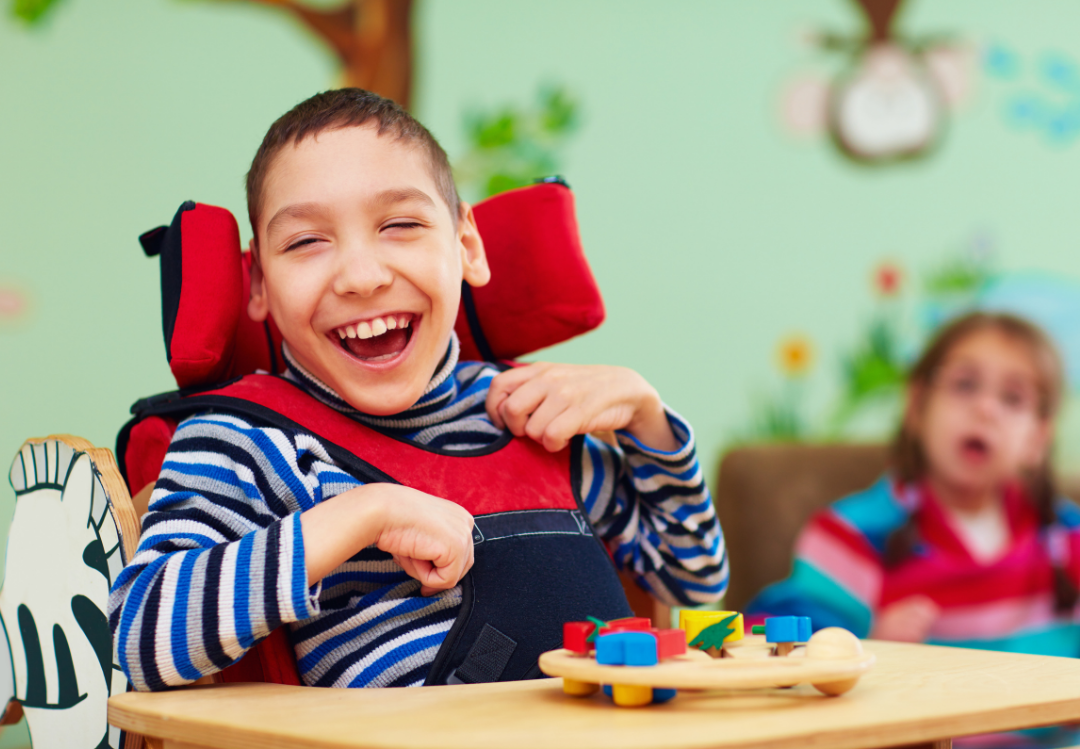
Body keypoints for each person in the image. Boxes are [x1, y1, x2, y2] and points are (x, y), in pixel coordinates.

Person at [107, 88, 727, 691]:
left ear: (466, 246)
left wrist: (649, 419)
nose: (362, 276)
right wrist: (359, 515)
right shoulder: (248, 439)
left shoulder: (529, 414)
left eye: (400, 224)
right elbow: (132, 639)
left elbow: (693, 582)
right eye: (306, 241)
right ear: (259, 287)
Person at [748, 312, 1080, 656]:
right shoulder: (851, 536)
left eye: (1012, 398)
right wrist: (870, 645)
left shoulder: (1068, 542)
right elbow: (768, 644)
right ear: (917, 405)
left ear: (1038, 440)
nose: (985, 409)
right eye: (965, 384)